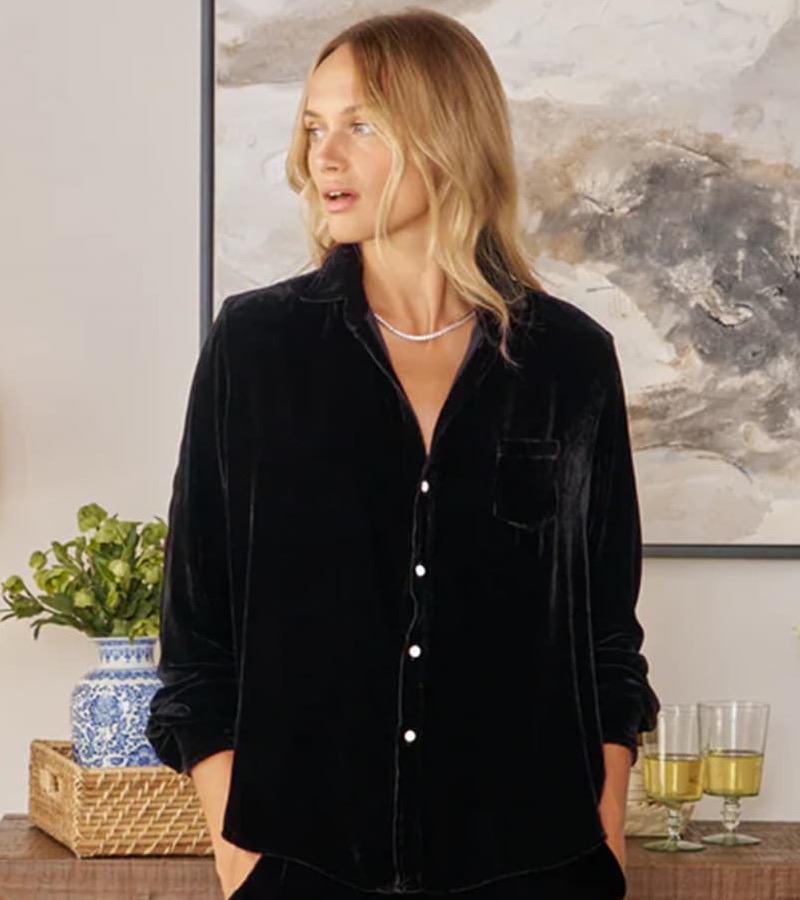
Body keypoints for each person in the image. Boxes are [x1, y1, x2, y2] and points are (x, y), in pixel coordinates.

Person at [145, 8, 660, 899]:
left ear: (446, 138)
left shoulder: (570, 360)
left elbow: (606, 633)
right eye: (314, 127)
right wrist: (241, 854)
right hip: (303, 867)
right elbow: (198, 630)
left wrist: (606, 824)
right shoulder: (257, 348)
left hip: (537, 865)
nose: (323, 157)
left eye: (360, 125)